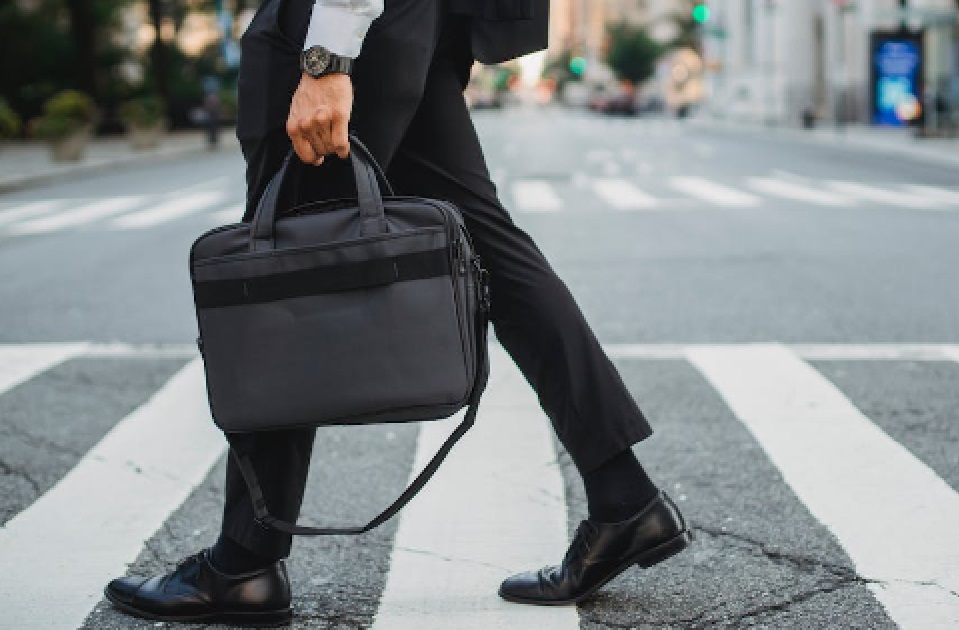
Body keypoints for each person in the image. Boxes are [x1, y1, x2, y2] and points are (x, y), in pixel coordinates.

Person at [104, 0, 691, 624]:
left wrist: (326, 57)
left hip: (347, 22)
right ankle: (624, 498)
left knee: (288, 264)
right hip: (405, 21)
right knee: (485, 242)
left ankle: (244, 561)